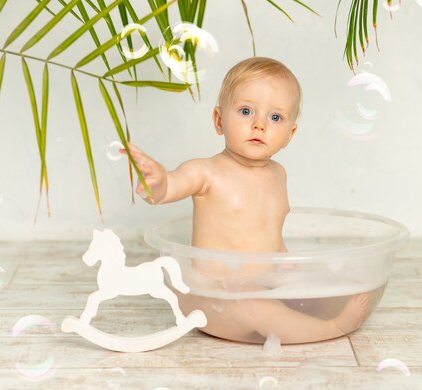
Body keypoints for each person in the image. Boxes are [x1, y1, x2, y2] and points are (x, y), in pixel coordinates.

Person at [122, 57, 370, 343]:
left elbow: (267, 230)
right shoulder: (206, 171)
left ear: (290, 134)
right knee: (252, 306)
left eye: (275, 117)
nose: (259, 125)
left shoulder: (278, 175)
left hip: (264, 287)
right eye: (245, 111)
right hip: (216, 298)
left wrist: (290, 264)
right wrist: (159, 181)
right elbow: (171, 187)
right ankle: (332, 328)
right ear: (218, 120)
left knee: (314, 283)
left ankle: (311, 309)